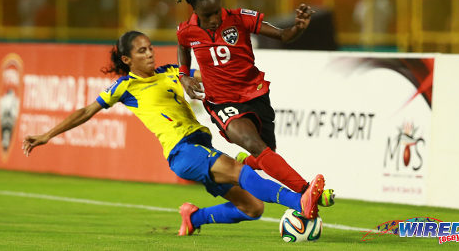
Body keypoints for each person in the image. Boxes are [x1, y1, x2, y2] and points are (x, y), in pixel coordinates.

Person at [22, 31, 325, 236]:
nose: (150, 54)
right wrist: (47, 135)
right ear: (127, 60)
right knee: (237, 170)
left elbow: (208, 77)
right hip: (183, 151)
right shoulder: (125, 87)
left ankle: (193, 218)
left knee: (252, 208)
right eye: (142, 51)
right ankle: (299, 202)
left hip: (201, 145)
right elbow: (86, 112)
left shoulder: (171, 72)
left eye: (151, 48)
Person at [170, 0, 330, 200]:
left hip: (254, 94)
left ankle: (247, 163)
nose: (215, 18)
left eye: (217, 11)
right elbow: (183, 46)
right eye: (208, 15)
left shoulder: (239, 18)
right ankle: (306, 191)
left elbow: (283, 35)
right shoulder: (186, 30)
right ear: (195, 10)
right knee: (255, 144)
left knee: (267, 153)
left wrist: (298, 27)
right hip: (221, 102)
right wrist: (183, 75)